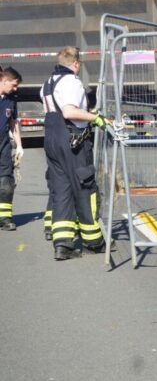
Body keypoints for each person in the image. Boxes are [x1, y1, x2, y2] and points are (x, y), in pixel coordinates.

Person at [41, 47, 108, 260]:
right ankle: (93, 241)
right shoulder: (72, 82)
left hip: (52, 138)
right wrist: (95, 118)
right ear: (76, 64)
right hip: (72, 139)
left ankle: (62, 245)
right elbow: (69, 111)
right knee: (85, 187)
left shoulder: (48, 83)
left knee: (61, 190)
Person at [0, 67, 24, 231]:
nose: (15, 89)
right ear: (4, 80)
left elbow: (13, 123)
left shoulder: (10, 99)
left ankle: (4, 218)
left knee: (6, 180)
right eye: (14, 85)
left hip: (3, 143)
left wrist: (19, 145)